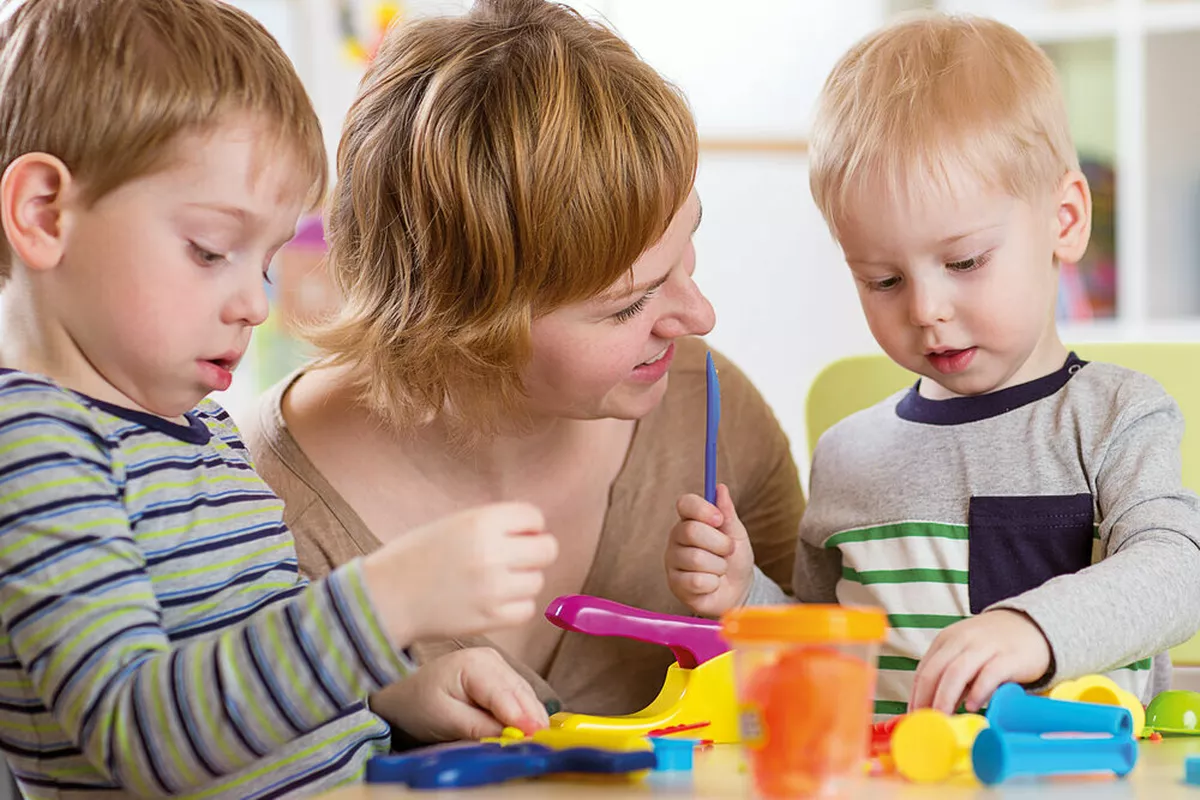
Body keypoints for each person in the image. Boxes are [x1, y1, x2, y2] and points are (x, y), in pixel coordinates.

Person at [0, 1, 556, 796]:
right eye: (211, 250)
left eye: (262, 262)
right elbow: (143, 733)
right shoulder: (35, 447)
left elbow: (242, 660)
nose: (255, 305)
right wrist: (382, 601)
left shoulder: (200, 428)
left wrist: (392, 689)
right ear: (44, 213)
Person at [244, 0, 805, 735]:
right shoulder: (259, 504)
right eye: (626, 305)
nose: (698, 317)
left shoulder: (709, 409)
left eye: (685, 245)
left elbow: (831, 685)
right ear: (461, 325)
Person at [665, 13, 1200, 717]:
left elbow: (1178, 572)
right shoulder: (846, 457)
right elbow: (825, 647)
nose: (925, 309)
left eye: (965, 261)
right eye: (882, 280)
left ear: (1064, 221)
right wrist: (743, 593)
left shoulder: (1115, 417)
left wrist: (1032, 628)